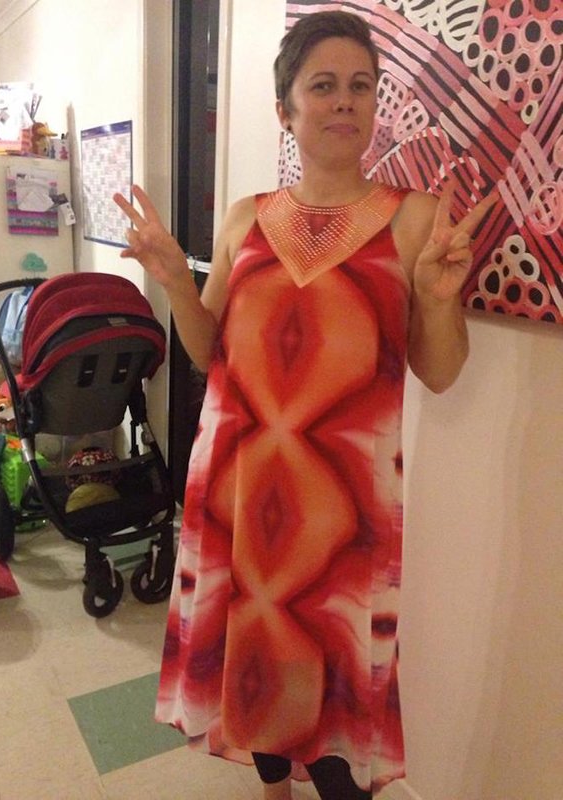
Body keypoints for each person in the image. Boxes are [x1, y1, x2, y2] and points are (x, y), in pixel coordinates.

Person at [114, 10, 496, 800]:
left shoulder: (415, 219)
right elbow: (209, 350)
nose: (344, 100)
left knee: (335, 719)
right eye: (323, 86)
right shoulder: (244, 218)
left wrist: (437, 299)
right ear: (285, 109)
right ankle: (270, 789)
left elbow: (440, 372)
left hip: (344, 507)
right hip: (240, 489)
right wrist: (175, 281)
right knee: (253, 669)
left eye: (361, 85)